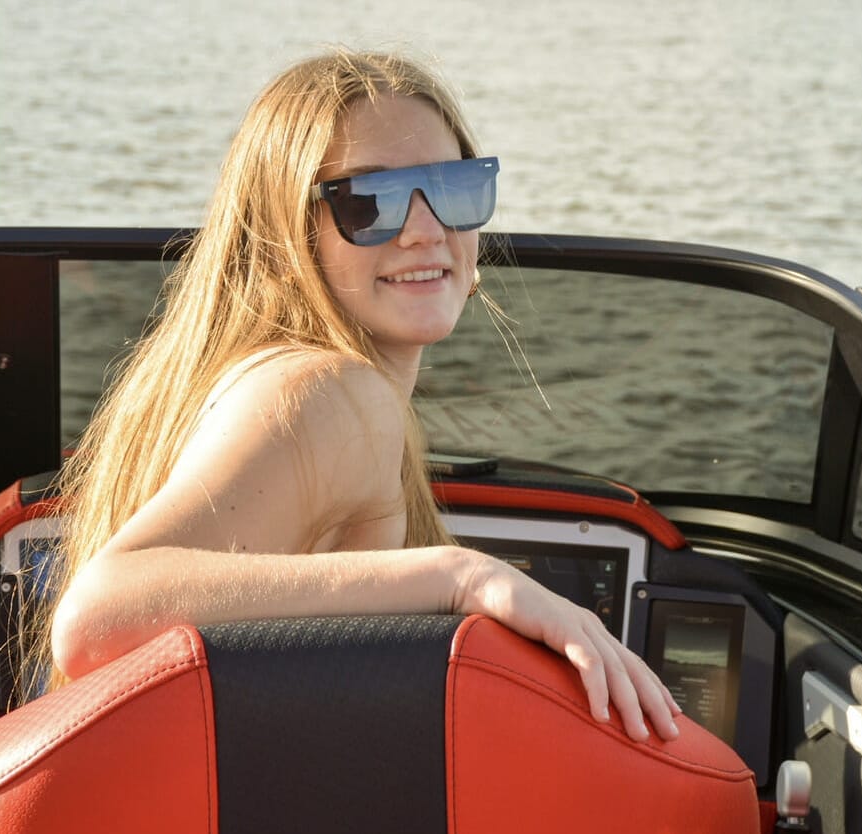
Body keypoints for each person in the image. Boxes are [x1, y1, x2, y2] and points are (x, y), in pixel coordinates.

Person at [46, 48, 680, 742]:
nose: (425, 229)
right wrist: (458, 576)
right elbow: (96, 617)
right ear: (288, 235)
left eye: (454, 188)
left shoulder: (251, 372)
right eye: (367, 201)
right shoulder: (327, 393)